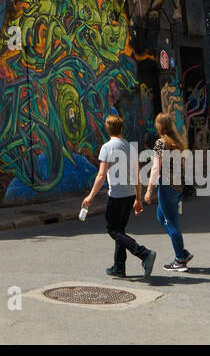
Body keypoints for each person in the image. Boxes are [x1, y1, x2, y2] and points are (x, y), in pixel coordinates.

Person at [81, 115, 156, 279]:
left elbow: (101, 176)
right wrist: (138, 198)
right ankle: (119, 267)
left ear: (107, 129)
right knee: (120, 230)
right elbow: (137, 175)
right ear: (121, 128)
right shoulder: (130, 147)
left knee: (113, 230)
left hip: (117, 194)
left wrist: (91, 196)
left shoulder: (107, 147)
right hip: (129, 194)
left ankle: (144, 253)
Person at [144, 111, 194, 271]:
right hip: (178, 186)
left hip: (166, 186)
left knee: (171, 222)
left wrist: (149, 190)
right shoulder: (177, 142)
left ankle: (180, 259)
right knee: (161, 216)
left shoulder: (161, 143)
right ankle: (182, 252)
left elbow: (156, 168)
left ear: (159, 126)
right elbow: (184, 165)